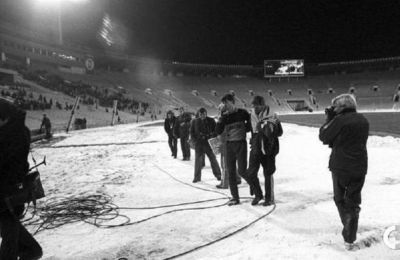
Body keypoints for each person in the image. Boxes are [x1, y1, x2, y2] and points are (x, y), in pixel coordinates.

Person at [319, 93, 369, 251]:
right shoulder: (363, 119)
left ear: (342, 107)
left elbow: (324, 137)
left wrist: (329, 119)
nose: (333, 109)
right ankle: (350, 235)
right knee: (353, 201)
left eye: (335, 106)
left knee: (340, 199)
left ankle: (349, 230)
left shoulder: (339, 120)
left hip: (341, 166)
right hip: (360, 166)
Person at [0, 98, 43, 260]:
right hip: (7, 198)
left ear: (4, 117)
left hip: (7, 196)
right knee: (31, 250)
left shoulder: (14, 134)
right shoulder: (9, 131)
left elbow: (14, 166)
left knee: (12, 244)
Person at [215, 94, 253, 206]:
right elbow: (217, 131)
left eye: (226, 102)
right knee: (230, 172)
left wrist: (244, 130)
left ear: (232, 102)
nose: (224, 105)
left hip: (240, 144)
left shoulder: (242, 113)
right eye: (223, 103)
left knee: (242, 170)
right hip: (229, 145)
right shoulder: (224, 116)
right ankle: (235, 197)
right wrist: (220, 117)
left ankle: (253, 185)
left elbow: (251, 125)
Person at [246, 96, 283, 206]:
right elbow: (251, 129)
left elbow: (280, 132)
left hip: (268, 147)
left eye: (256, 105)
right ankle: (258, 194)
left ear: (262, 105)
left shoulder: (273, 115)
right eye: (253, 106)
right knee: (250, 173)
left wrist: (268, 126)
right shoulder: (252, 114)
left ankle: (269, 198)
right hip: (256, 146)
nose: (254, 108)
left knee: (268, 173)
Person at [190, 108, 222, 183]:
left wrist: (211, 135)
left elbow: (216, 130)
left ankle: (218, 175)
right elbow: (192, 132)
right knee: (198, 161)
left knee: (213, 159)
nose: (202, 116)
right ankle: (197, 177)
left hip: (209, 143)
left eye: (204, 114)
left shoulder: (211, 120)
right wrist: (194, 140)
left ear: (206, 113)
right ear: (199, 114)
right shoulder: (194, 121)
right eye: (201, 114)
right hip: (199, 144)